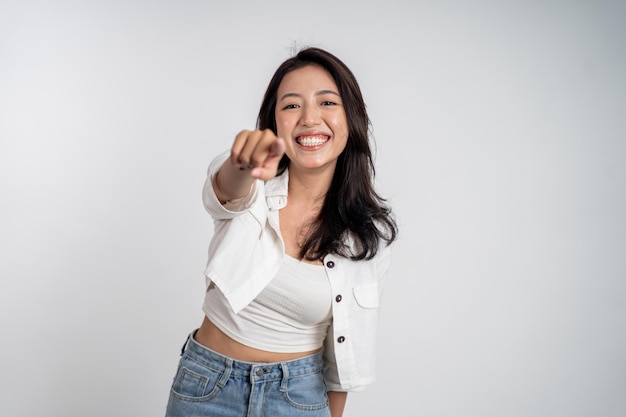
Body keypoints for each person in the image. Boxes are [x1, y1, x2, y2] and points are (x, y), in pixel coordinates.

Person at [164, 46, 398, 417]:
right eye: (291, 106)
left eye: (327, 103)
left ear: (350, 118)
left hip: (299, 397)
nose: (309, 118)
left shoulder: (367, 238)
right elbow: (225, 191)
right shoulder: (252, 185)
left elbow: (342, 363)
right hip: (209, 386)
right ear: (275, 124)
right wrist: (243, 163)